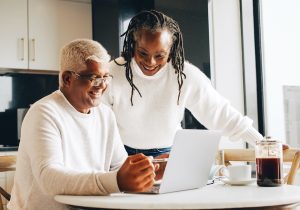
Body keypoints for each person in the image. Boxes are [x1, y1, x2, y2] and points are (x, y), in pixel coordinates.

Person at [7, 39, 157, 210]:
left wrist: (148, 171)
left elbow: (119, 166)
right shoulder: (44, 113)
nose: (102, 85)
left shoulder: (105, 114)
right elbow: (49, 178)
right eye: (93, 77)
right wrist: (116, 181)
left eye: (105, 77)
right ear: (67, 78)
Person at [102, 10, 264, 157]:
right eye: (143, 53)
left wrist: (262, 143)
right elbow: (99, 124)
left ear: (171, 50)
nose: (150, 62)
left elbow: (220, 113)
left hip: (169, 153)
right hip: (122, 153)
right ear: (132, 45)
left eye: (159, 55)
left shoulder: (184, 75)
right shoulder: (111, 73)